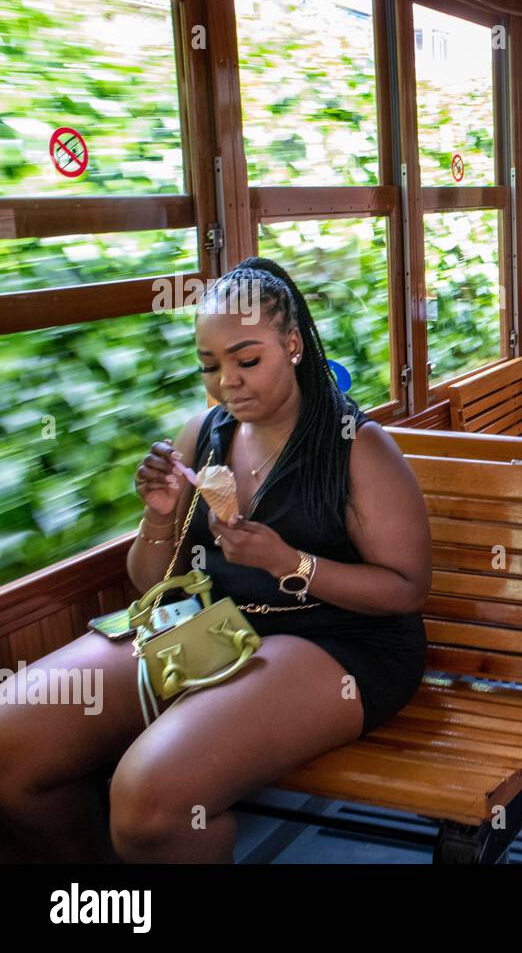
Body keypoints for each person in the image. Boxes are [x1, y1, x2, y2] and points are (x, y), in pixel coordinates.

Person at [0, 258, 432, 862]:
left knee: (149, 801)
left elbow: (407, 590)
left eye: (246, 360)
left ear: (292, 344)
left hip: (339, 639)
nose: (227, 381)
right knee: (12, 744)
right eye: (210, 365)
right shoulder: (203, 434)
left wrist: (288, 560)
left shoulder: (356, 447)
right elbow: (152, 583)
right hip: (218, 624)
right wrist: (157, 514)